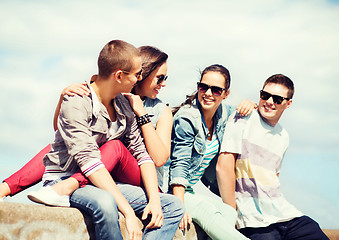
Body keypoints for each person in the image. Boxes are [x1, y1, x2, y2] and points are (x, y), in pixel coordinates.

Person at [2, 40, 184, 240]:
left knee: (116, 151)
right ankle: (11, 187)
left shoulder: (135, 106)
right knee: (65, 153)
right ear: (121, 75)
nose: (163, 83)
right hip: (93, 171)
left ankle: (68, 185)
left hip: (123, 174)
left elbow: (154, 158)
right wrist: (63, 98)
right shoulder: (86, 96)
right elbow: (65, 136)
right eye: (159, 78)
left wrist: (141, 114)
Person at [216, 74, 329, 240]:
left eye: (277, 99)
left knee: (315, 231)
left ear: (288, 104)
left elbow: (274, 178)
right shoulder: (243, 117)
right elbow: (223, 167)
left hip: (286, 215)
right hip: (253, 221)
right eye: (265, 95)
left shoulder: (284, 136)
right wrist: (231, 214)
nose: (269, 101)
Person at [169, 64, 253, 240]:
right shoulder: (187, 118)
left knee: (229, 214)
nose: (208, 93)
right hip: (171, 190)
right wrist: (179, 206)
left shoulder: (224, 114)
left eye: (216, 90)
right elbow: (179, 165)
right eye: (203, 87)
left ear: (225, 94)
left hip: (189, 190)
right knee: (209, 213)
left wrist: (250, 104)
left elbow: (255, 113)